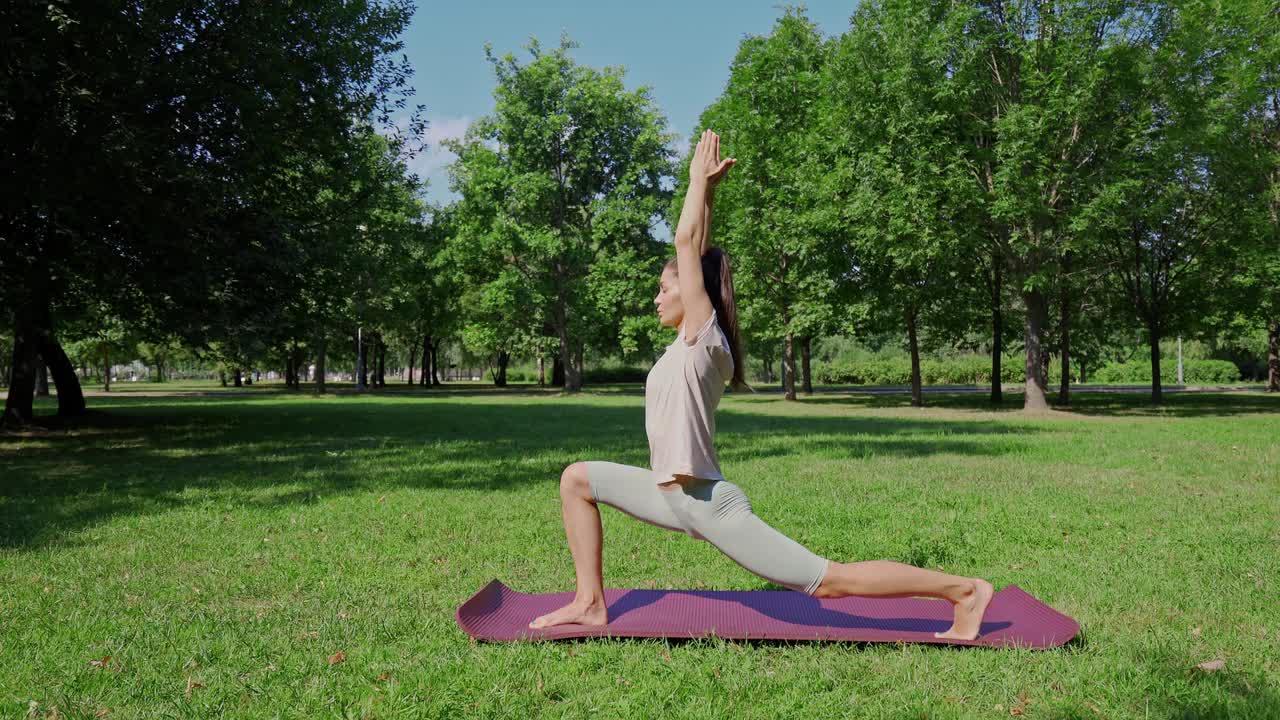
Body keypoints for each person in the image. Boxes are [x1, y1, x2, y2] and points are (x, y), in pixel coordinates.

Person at [530, 130, 994, 640]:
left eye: (663, 288)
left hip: (706, 502)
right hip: (669, 495)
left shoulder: (703, 341)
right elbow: (697, 248)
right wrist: (707, 192)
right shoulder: (683, 344)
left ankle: (964, 591)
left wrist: (692, 184)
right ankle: (590, 603)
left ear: (693, 292)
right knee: (577, 478)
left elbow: (687, 245)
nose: (656, 299)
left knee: (828, 582)